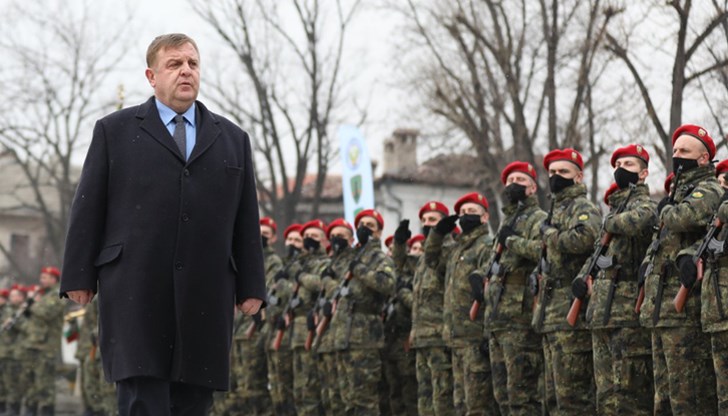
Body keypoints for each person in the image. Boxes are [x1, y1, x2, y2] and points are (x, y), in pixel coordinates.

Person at [60, 33, 266, 415]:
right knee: (144, 398)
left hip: (205, 294)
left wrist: (252, 285)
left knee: (194, 402)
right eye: (174, 64)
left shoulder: (233, 139)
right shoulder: (114, 131)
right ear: (151, 76)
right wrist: (78, 275)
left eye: (192, 63)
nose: (186, 71)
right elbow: (88, 206)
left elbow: (245, 219)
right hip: (136, 290)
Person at [639, 124, 720, 413]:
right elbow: (660, 243)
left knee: (688, 399)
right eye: (675, 150)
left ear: (703, 158)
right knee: (663, 400)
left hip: (685, 313)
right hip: (661, 309)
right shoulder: (676, 194)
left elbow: (683, 218)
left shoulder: (708, 190)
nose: (677, 156)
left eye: (684, 151)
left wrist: (664, 209)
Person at [575, 145, 656, 415]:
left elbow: (639, 221)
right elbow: (597, 255)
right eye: (618, 165)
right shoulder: (612, 213)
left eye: (629, 165)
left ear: (643, 173)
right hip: (602, 313)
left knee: (629, 398)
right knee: (606, 396)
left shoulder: (644, 206)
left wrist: (609, 222)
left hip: (627, 315)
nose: (621, 170)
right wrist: (583, 277)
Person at [534, 148, 601, 414]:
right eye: (552, 172)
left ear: (578, 176)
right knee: (552, 398)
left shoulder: (582, 207)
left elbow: (583, 239)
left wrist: (550, 234)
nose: (556, 177)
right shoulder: (555, 209)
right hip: (551, 312)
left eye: (563, 171)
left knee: (573, 398)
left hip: (571, 311)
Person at [481, 161, 546, 415]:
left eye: (520, 180)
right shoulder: (507, 220)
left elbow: (542, 251)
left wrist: (511, 240)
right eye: (509, 181)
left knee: (522, 394)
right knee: (502, 396)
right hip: (498, 318)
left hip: (520, 317)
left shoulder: (538, 218)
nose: (513, 185)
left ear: (532, 188)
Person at [425, 192, 498, 415]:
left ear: (484, 217)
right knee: (460, 404)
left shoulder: (486, 245)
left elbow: (491, 286)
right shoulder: (456, 249)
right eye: (463, 212)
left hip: (475, 336)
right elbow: (432, 261)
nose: (466, 216)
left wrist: (487, 333)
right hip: (456, 338)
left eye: (472, 212)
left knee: (478, 405)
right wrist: (437, 234)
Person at [393, 201, 455, 416]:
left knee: (443, 398)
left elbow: (437, 261)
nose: (428, 224)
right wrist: (399, 243)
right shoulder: (422, 260)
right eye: (425, 220)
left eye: (433, 220)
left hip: (440, 336)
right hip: (421, 337)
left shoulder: (449, 252)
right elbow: (400, 263)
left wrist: (437, 238)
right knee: (425, 399)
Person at [333, 209, 395, 415]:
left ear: (379, 232)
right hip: (344, 335)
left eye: (370, 225)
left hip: (365, 338)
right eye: (361, 225)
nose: (364, 229)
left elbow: (387, 284)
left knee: (364, 400)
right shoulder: (351, 256)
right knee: (347, 399)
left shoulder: (379, 258)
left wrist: (359, 269)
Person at [314, 218, 356, 416]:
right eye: (334, 236)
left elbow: (342, 292)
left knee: (346, 398)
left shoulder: (352, 262)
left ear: (351, 239)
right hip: (327, 337)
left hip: (345, 335)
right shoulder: (331, 263)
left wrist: (328, 282)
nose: (337, 239)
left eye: (341, 236)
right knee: (330, 398)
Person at [266, 223, 303, 416]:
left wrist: (284, 283)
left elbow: (299, 297)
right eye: (290, 239)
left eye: (297, 240)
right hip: (275, 330)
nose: (292, 243)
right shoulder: (282, 265)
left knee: (293, 390)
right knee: (277, 390)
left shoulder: (301, 267)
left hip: (294, 334)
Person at [22, 266, 65, 416]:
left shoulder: (57, 294)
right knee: (31, 381)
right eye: (41, 278)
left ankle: (47, 411)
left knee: (45, 383)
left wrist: (32, 304)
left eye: (44, 278)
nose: (41, 281)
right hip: (32, 343)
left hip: (47, 346)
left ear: (53, 279)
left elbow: (46, 313)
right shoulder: (41, 295)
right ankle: (31, 409)